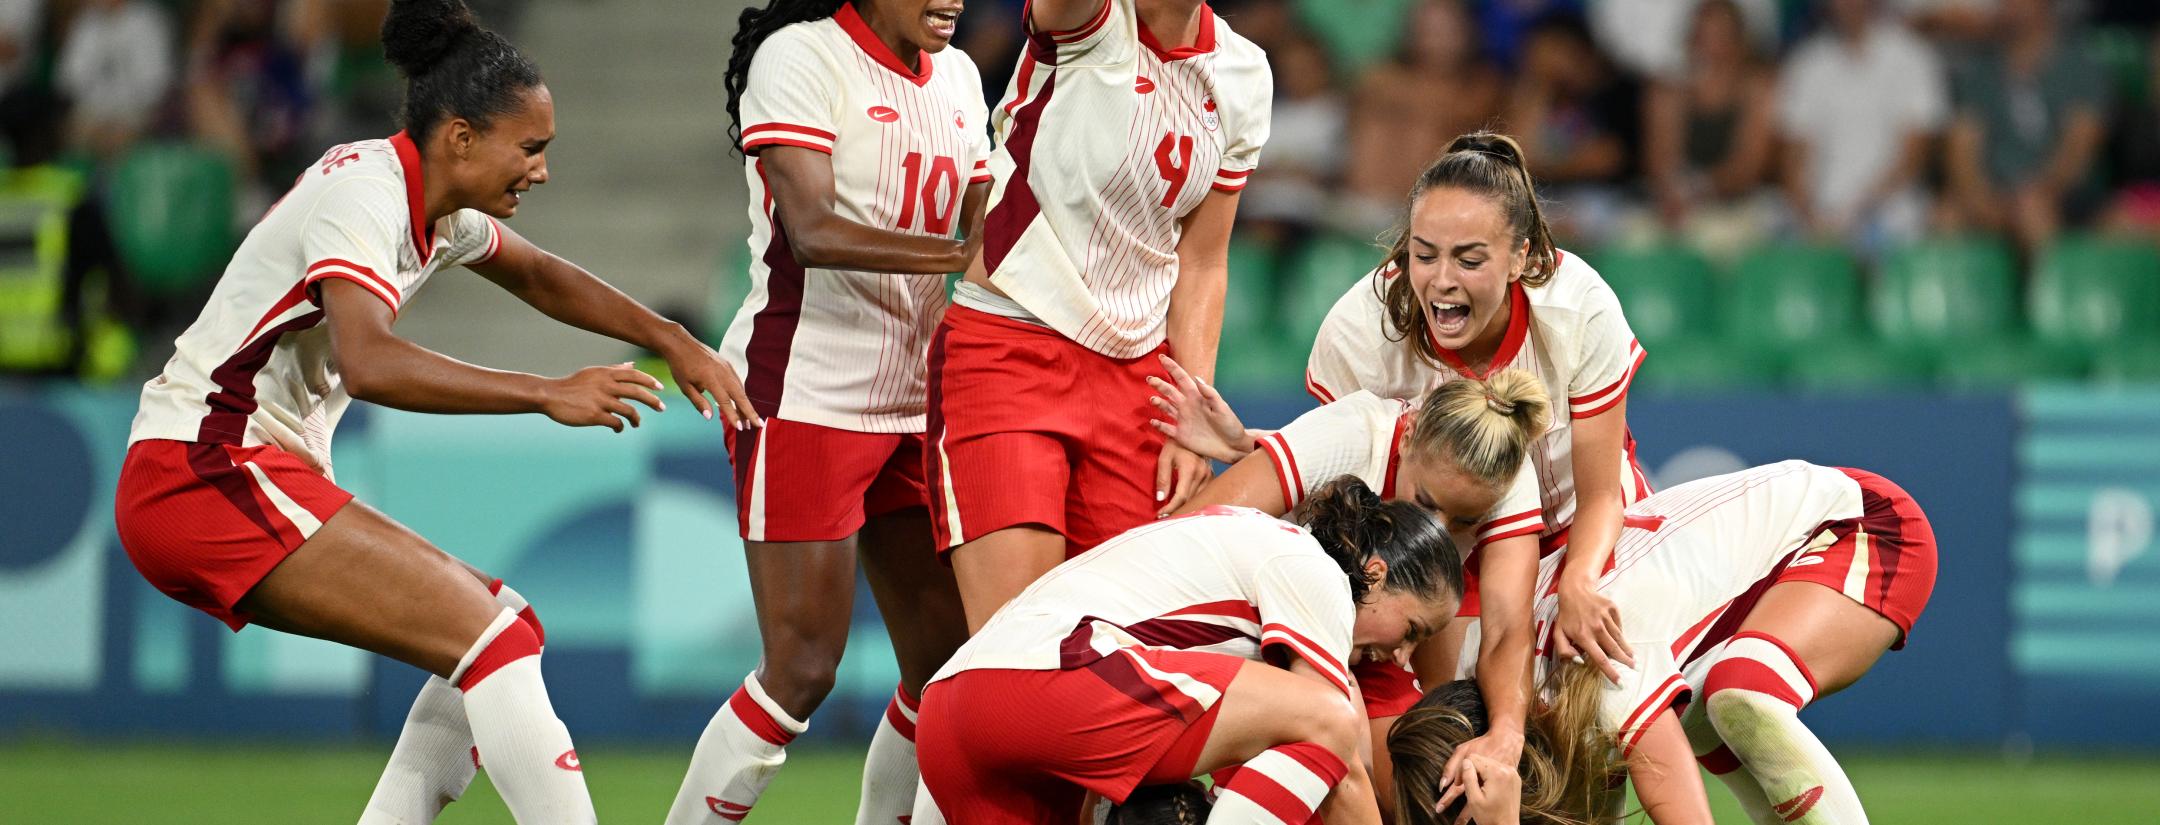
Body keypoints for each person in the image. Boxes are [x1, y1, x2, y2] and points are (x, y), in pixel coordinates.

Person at [111, 2, 757, 822]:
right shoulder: (365, 196)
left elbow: (542, 276)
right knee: (497, 640)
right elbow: (370, 361)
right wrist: (545, 390)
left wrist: (673, 337)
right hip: (201, 472)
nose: (542, 170)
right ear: (460, 138)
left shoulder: (433, 208)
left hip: (224, 473)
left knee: (498, 629)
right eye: (531, 147)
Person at [1158, 131, 1651, 805]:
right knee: (1433, 739)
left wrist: (1579, 580)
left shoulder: (1576, 310)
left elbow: (1600, 493)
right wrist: (1255, 448)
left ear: (1522, 257)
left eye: (1469, 258)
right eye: (1425, 255)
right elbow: (1346, 475)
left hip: (1567, 527)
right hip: (1423, 552)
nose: (1441, 280)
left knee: (1581, 734)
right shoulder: (1361, 331)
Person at [666, 2, 991, 823]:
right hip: (805, 390)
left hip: (918, 402)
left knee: (948, 665)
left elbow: (989, 218)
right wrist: (958, 257)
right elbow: (809, 228)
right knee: (804, 668)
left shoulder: (957, 75)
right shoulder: (800, 57)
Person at [925, 0, 1271, 632]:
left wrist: (1185, 415)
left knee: (1128, 638)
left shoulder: (1245, 72)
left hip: (1138, 380)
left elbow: (1202, 262)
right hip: (1010, 351)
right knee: (1019, 644)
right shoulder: (1090, 18)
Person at [1388, 460, 1939, 825]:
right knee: (1707, 717)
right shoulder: (1488, 664)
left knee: (1741, 695)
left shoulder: (1593, 669)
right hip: (1719, 623)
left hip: (1858, 523)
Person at [912, 478, 1466, 825]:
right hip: (1046, 677)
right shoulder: (1313, 570)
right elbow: (1345, 759)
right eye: (1414, 628)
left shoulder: (1249, 537)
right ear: (1375, 573)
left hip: (955, 711)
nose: (1403, 656)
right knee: (1331, 717)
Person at [1148, 368, 1549, 819]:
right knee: (1335, 755)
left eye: (1463, 522)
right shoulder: (1352, 434)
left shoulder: (1504, 472)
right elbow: (1190, 537)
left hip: (1378, 627)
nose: (1438, 531)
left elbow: (1507, 627)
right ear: (1407, 436)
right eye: (1427, 503)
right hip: (1281, 625)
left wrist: (1507, 734)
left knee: (1415, 796)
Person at [1775, 0, 1948, 256]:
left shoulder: (1913, 57)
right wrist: (1811, 217)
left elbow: (1913, 157)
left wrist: (1851, 215)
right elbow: (1794, 158)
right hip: (1818, 222)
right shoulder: (1806, 64)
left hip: (1893, 220)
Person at [1941, 0, 2107, 255]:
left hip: (2062, 196)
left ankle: (2054, 293)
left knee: (2033, 209)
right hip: (1995, 193)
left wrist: (2033, 193)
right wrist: (1981, 198)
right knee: (1945, 217)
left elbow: (2076, 154)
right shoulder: (1978, 71)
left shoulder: (2082, 66)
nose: (2011, 6)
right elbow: (1963, 152)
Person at [1636, 0, 1782, 262]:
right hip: (1680, 204)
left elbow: (1748, 168)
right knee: (1635, 240)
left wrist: (1699, 191)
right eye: (1703, 37)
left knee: (1713, 239)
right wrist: (1675, 195)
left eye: (1720, 37)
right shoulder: (1669, 91)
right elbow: (1660, 163)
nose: (1711, 47)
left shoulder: (1759, 87)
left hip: (1741, 203)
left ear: (1740, 41)